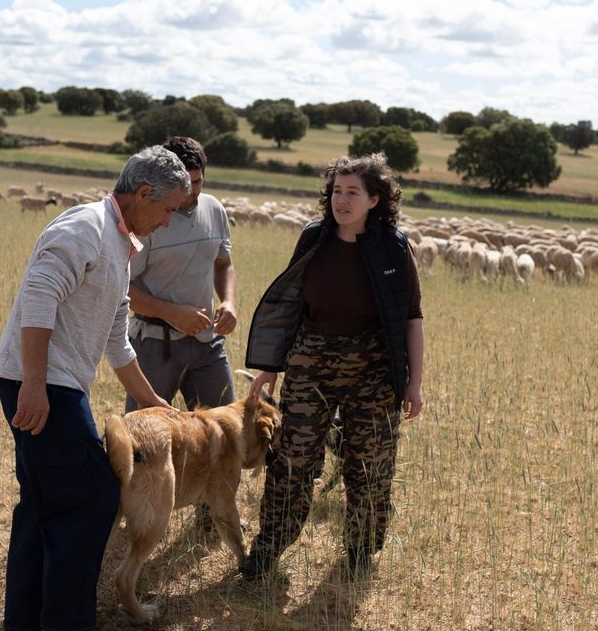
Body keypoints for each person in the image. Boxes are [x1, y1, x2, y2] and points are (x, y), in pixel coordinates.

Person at [0, 146, 189, 631]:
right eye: (168, 209)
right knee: (93, 494)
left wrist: (150, 400)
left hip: (50, 381)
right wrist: (34, 382)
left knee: (43, 500)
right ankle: (69, 629)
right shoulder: (84, 228)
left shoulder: (121, 246)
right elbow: (38, 295)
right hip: (44, 383)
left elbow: (116, 339)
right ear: (143, 194)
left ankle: (22, 624)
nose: (169, 221)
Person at [241, 152, 425, 581]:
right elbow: (290, 306)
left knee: (371, 465)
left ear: (375, 199)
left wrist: (415, 383)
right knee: (292, 459)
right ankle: (266, 550)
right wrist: (270, 366)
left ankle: (361, 550)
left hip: (374, 369)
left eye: (353, 192)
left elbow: (411, 318)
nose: (342, 200)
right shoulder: (313, 239)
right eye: (337, 191)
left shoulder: (395, 248)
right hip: (312, 361)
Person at [125, 136, 238, 539]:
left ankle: (212, 519)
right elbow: (125, 287)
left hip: (208, 345)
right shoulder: (151, 216)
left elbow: (224, 263)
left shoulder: (215, 210)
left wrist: (228, 302)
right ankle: (136, 517)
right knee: (144, 438)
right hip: (156, 344)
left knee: (223, 436)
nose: (191, 193)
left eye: (198, 181)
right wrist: (173, 313)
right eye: (184, 184)